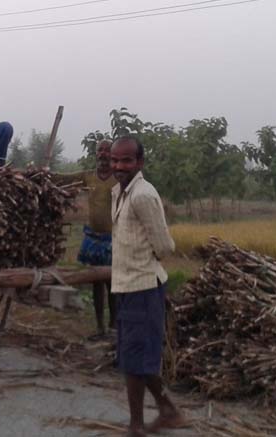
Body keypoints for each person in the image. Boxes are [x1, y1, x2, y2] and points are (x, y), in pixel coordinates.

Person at [110, 136, 184, 435]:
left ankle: (136, 426)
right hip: (126, 285)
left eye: (126, 160)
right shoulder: (119, 192)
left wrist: (143, 261)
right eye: (116, 160)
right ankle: (167, 410)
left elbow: (164, 246)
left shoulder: (143, 195)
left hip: (142, 286)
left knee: (133, 360)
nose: (119, 166)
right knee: (134, 356)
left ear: (139, 163)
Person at [56, 140, 117, 338]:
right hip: (93, 238)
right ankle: (100, 327)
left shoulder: (118, 178)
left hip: (113, 239)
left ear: (112, 154)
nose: (103, 154)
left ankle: (114, 325)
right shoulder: (89, 176)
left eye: (107, 151)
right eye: (100, 150)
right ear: (96, 154)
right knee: (96, 283)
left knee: (112, 284)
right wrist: (43, 174)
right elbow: (65, 179)